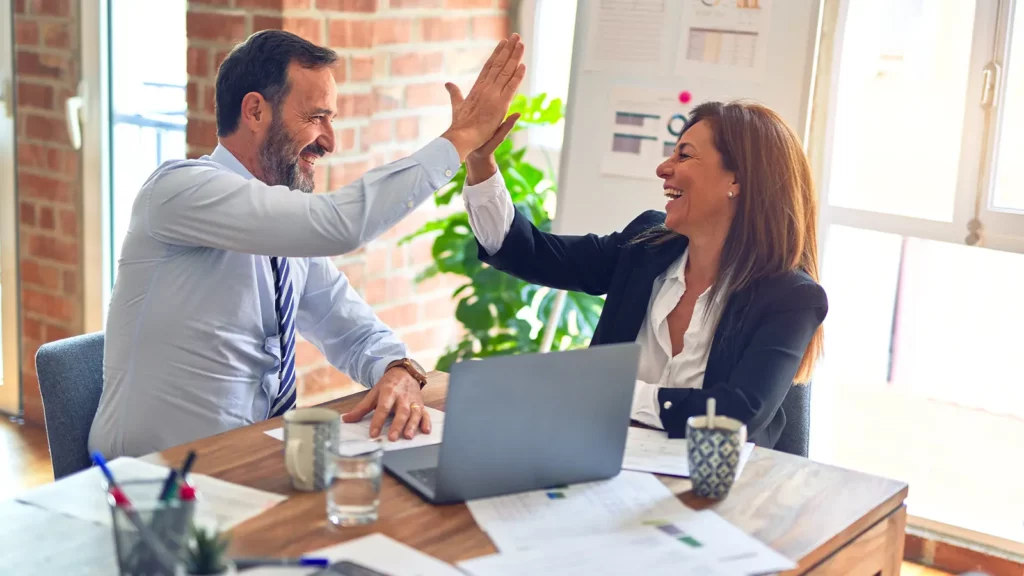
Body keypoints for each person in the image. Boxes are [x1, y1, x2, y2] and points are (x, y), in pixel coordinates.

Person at [89, 29, 526, 458]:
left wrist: (398, 369)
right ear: (256, 112)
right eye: (316, 117)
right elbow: (340, 224)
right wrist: (462, 137)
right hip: (152, 484)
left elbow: (352, 330)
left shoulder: (283, 232)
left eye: (331, 119)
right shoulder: (180, 191)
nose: (330, 141)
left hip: (250, 466)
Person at [460, 100, 827, 448]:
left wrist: (611, 392)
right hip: (602, 465)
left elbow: (736, 415)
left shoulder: (791, 298)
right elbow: (529, 253)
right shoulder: (645, 246)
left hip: (717, 493)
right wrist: (480, 160)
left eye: (684, 155)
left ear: (737, 181)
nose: (663, 168)